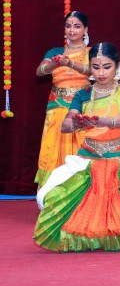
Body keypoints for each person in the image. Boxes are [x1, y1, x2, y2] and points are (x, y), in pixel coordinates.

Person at [34, 42, 120, 253]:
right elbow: (65, 126)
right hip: (88, 158)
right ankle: (87, 232)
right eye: (96, 67)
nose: (101, 73)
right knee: (45, 195)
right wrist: (78, 123)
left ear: (117, 66)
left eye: (107, 67)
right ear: (90, 67)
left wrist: (99, 120)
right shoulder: (83, 94)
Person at [34, 11, 91, 189]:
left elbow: (93, 71)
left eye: (77, 26)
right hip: (57, 106)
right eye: (68, 26)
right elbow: (40, 71)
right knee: (53, 147)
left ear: (85, 30)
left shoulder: (92, 52)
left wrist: (70, 63)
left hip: (82, 106)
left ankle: (82, 190)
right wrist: (55, 63)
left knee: (82, 145)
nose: (72, 30)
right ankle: (52, 191)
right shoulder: (55, 52)